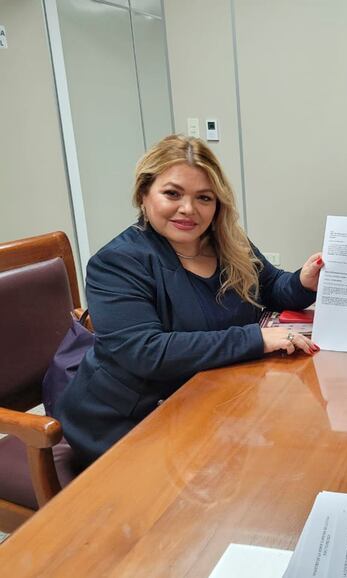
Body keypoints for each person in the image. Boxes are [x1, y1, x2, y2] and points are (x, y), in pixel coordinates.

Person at [56, 135, 323, 466]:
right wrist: (254, 338)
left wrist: (302, 280)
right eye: (172, 193)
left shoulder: (227, 242)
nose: (189, 209)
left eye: (204, 198)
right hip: (127, 421)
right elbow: (146, 351)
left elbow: (270, 286)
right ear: (143, 194)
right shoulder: (117, 263)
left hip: (208, 398)